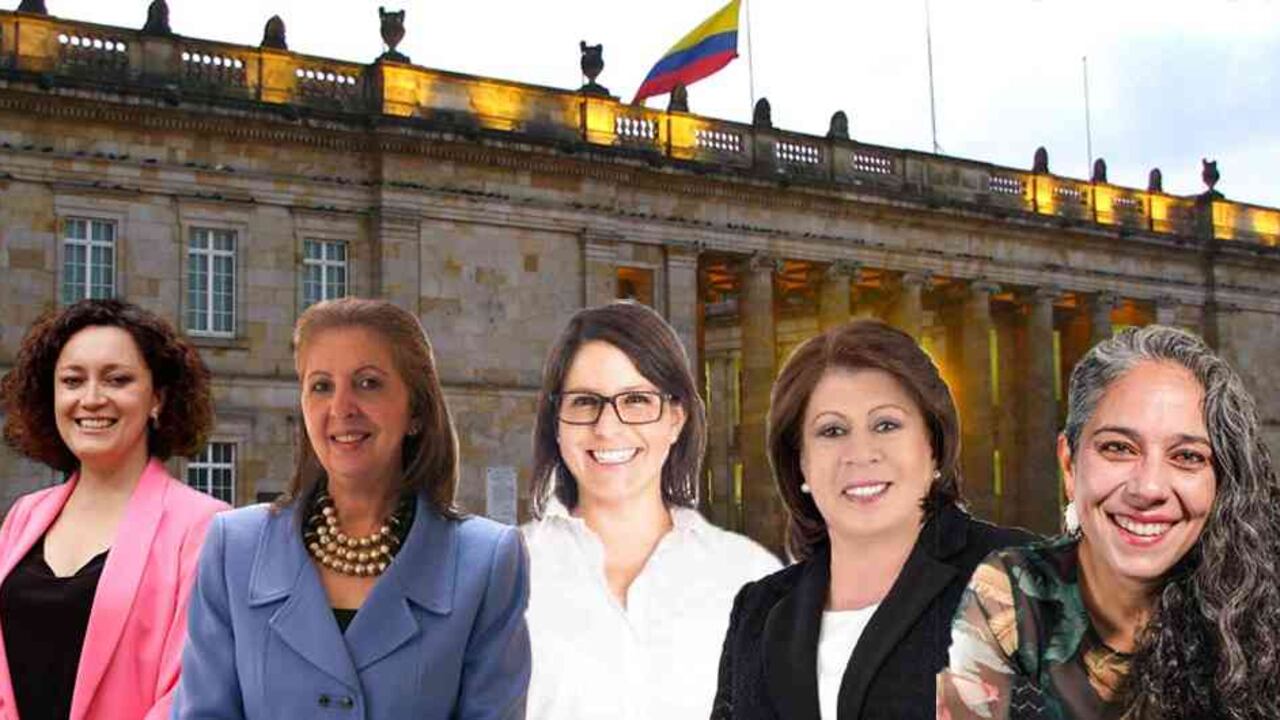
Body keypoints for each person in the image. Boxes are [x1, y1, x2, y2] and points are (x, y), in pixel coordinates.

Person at [172, 297, 530, 719]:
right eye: (321, 386)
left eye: (368, 383)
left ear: (415, 410)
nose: (341, 408)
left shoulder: (487, 561)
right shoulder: (233, 548)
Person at [937, 325, 1280, 719]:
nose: (1148, 488)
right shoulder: (1012, 591)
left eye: (1187, 456)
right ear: (1069, 464)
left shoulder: (1263, 614)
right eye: (1118, 448)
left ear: (1221, 481)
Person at [712, 319, 1034, 720]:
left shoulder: (1022, 575)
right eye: (832, 431)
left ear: (934, 446)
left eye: (886, 425)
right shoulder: (758, 610)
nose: (860, 453)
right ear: (801, 464)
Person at [522, 301, 780, 720]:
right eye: (585, 401)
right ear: (556, 421)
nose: (607, 427)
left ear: (676, 419)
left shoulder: (750, 575)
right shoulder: (497, 576)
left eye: (637, 400)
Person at [0, 298, 229, 720]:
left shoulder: (203, 528)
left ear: (157, 398)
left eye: (117, 379)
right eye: (72, 381)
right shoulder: (23, 517)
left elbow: (190, 694)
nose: (91, 399)